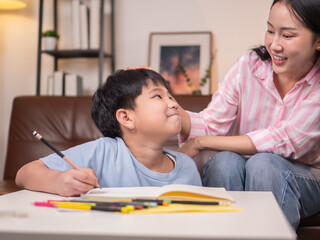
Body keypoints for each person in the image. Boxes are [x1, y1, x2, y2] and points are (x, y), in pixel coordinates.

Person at [177, 0, 320, 229]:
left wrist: (201, 142)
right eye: (270, 31)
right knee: (224, 162)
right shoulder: (249, 65)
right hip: (245, 169)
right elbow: (211, 122)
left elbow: (283, 139)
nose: (274, 45)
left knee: (264, 165)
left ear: (318, 41)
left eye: (288, 36)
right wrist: (166, 103)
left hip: (307, 178)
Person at [15, 69, 201, 197]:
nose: (174, 103)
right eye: (158, 96)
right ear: (126, 118)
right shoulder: (104, 151)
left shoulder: (187, 166)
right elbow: (24, 173)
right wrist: (58, 182)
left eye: (170, 96)